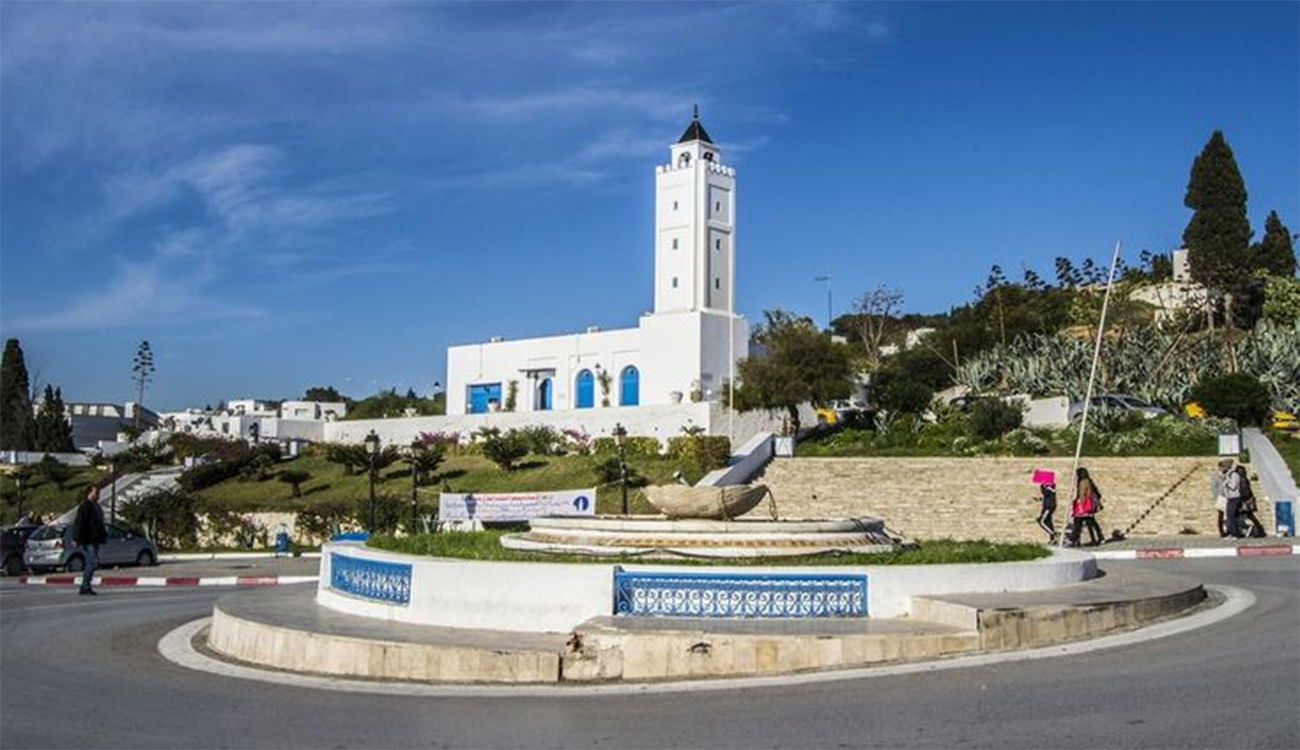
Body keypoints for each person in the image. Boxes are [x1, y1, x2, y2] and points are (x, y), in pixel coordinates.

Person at [72, 485, 107, 596]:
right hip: (88, 540)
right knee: (91, 562)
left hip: (95, 539)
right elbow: (79, 523)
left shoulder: (95, 506)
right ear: (89, 493)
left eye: (98, 492)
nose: (98, 495)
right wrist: (76, 538)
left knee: (92, 563)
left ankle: (85, 585)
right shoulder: (85, 506)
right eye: (96, 492)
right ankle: (85, 586)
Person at [1070, 467, 1105, 547]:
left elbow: (1082, 494)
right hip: (1088, 507)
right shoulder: (1088, 481)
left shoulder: (1082, 482)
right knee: (1091, 522)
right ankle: (1098, 538)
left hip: (1084, 506)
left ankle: (1074, 540)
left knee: (1078, 523)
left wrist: (1079, 505)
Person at [1233, 465, 1267, 538]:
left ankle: (1259, 531)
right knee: (1250, 516)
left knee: (1240, 515)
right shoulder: (1244, 479)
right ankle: (1259, 530)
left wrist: (1240, 498)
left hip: (1245, 501)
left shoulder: (1242, 480)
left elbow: (1245, 492)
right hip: (1246, 500)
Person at [1210, 459, 1233, 537]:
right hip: (1221, 497)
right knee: (1221, 514)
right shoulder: (1216, 476)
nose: (1224, 469)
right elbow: (1214, 487)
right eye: (1223, 467)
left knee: (1229, 514)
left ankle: (1229, 529)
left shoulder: (1228, 475)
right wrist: (1217, 496)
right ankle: (1221, 531)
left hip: (1228, 496)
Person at [1222, 463, 1244, 538]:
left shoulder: (1234, 475)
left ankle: (1235, 534)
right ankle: (1231, 533)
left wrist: (1226, 482)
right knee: (1229, 516)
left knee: (1231, 516)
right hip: (1230, 497)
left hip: (1234, 497)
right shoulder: (1229, 475)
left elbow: (1233, 486)